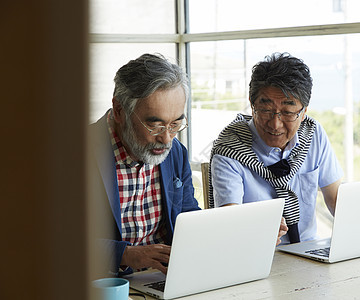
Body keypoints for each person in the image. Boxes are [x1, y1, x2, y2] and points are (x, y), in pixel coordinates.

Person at [209, 52, 343, 244]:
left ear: (304, 111)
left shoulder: (312, 134)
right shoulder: (231, 149)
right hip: (258, 254)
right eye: (265, 110)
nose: (275, 124)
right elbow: (229, 224)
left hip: (309, 249)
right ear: (251, 103)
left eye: (287, 113)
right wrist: (254, 228)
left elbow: (336, 199)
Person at [90, 53, 200, 276]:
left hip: (163, 279)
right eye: (155, 125)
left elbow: (188, 217)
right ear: (120, 110)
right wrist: (125, 254)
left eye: (176, 124)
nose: (167, 139)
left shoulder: (175, 152)